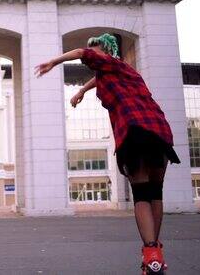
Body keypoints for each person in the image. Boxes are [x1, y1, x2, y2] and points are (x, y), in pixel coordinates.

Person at [34, 33, 180, 274]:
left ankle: (151, 255)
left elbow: (82, 53)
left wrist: (53, 61)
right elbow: (97, 77)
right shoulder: (124, 71)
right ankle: (156, 256)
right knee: (155, 192)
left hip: (134, 130)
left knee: (142, 193)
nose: (93, 56)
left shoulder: (108, 62)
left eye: (98, 51)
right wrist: (82, 89)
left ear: (108, 52)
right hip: (158, 129)